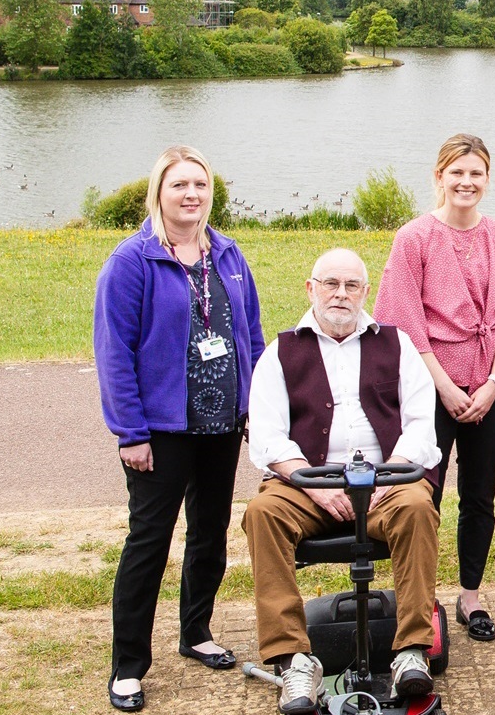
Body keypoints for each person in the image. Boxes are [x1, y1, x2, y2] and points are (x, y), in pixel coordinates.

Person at [94, 145, 265, 712]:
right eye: (179, 186)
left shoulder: (229, 254)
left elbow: (252, 337)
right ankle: (128, 667)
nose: (191, 195)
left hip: (220, 426)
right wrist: (130, 432)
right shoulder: (132, 261)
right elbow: (114, 353)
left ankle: (196, 633)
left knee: (209, 534)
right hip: (160, 431)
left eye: (200, 185)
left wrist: (256, 410)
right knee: (148, 542)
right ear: (159, 193)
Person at [243, 249, 444, 715]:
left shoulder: (397, 345)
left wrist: (387, 477)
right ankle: (294, 659)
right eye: (330, 283)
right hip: (309, 485)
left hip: (387, 482)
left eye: (352, 285)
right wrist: (316, 487)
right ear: (310, 289)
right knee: (262, 513)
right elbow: (268, 438)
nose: (341, 293)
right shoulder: (281, 352)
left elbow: (421, 425)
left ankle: (411, 650)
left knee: (418, 507)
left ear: (365, 292)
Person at [373, 133, 495, 642]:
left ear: (487, 179)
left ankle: (470, 596)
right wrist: (443, 385)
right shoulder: (413, 238)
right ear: (439, 176)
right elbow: (404, 319)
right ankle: (420, 598)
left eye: (476, 173)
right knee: (424, 494)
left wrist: (492, 383)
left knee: (479, 494)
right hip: (429, 386)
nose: (466, 182)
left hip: (488, 384)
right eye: (456, 172)